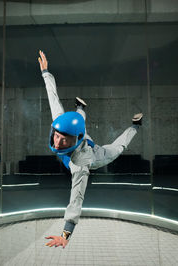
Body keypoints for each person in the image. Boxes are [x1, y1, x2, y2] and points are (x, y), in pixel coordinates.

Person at [38, 50, 143, 248]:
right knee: (79, 122)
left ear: (74, 140)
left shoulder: (81, 163)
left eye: (64, 141)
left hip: (95, 154)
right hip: (81, 135)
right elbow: (53, 97)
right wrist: (45, 72)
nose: (58, 143)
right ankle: (80, 109)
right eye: (57, 136)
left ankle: (135, 126)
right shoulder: (60, 123)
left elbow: (76, 198)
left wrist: (65, 234)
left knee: (117, 148)